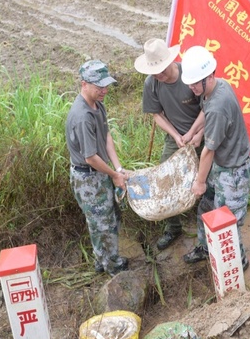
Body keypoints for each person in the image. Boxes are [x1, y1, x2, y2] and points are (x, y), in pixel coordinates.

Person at [179, 45, 250, 269]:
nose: (191, 88)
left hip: (233, 172)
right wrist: (192, 132)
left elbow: (208, 151)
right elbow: (204, 110)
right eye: (189, 83)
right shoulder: (214, 89)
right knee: (207, 208)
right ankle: (204, 247)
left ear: (209, 76)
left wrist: (200, 182)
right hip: (221, 167)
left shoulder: (220, 106)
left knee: (227, 223)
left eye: (195, 83)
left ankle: (237, 263)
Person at [134, 38, 206, 251]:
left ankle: (206, 228)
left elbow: (208, 109)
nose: (159, 76)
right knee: (164, 182)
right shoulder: (152, 83)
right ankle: (173, 227)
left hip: (202, 133)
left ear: (171, 61)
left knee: (206, 179)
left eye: (162, 70)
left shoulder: (189, 76)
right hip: (176, 138)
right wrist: (175, 135)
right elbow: (156, 115)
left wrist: (199, 133)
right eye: (154, 72)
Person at [65, 59, 130, 276]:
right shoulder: (82, 116)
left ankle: (102, 259)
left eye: (106, 85)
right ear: (84, 84)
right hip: (89, 179)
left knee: (106, 218)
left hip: (99, 173)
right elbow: (91, 157)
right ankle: (112, 267)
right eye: (99, 86)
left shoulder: (97, 104)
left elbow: (106, 135)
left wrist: (118, 169)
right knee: (102, 224)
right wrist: (113, 175)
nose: (105, 90)